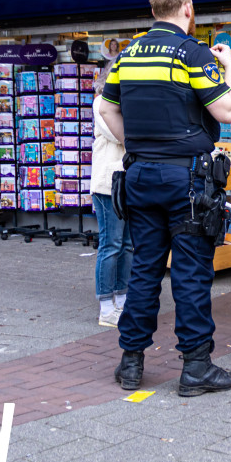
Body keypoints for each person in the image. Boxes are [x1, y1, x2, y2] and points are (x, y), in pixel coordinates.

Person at [98, 0, 231, 396]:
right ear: (187, 8)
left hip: (141, 176)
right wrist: (229, 67)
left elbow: (107, 106)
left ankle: (131, 362)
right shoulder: (191, 53)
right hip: (186, 181)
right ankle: (196, 367)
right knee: (191, 273)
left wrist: (135, 144)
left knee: (144, 269)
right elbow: (226, 111)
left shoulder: (128, 55)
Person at [90, 60, 132, 327]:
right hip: (107, 185)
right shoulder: (101, 103)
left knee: (126, 245)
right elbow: (121, 135)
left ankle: (123, 301)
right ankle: (106, 307)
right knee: (111, 244)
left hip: (126, 182)